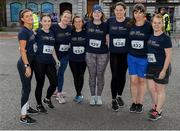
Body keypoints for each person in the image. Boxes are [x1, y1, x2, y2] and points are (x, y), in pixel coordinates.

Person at [146, 14, 172, 121]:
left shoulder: (165, 38)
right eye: (155, 23)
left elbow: (168, 56)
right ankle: (156, 106)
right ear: (152, 23)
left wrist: (164, 70)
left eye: (159, 23)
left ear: (163, 24)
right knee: (151, 89)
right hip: (150, 66)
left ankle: (159, 111)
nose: (156, 25)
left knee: (160, 90)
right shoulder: (151, 35)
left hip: (161, 67)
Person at [128, 4, 153, 113]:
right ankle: (134, 102)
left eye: (140, 12)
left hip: (144, 58)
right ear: (133, 14)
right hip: (132, 57)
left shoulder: (149, 26)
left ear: (144, 13)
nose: (137, 15)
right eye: (135, 12)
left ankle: (140, 103)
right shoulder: (130, 24)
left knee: (142, 81)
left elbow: (155, 37)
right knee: (133, 81)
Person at [107, 2, 131, 111]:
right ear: (114, 11)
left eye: (121, 10)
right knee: (115, 75)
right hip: (114, 53)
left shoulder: (129, 21)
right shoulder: (110, 20)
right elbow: (105, 32)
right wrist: (107, 41)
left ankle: (119, 96)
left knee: (122, 76)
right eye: (117, 10)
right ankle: (113, 99)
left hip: (125, 53)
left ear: (125, 10)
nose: (119, 12)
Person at [34, 13, 58, 112]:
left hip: (50, 61)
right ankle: (39, 104)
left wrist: (56, 59)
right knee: (40, 83)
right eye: (45, 21)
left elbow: (52, 48)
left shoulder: (52, 33)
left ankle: (47, 99)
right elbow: (29, 42)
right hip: (39, 62)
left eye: (49, 21)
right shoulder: (37, 32)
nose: (47, 23)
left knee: (54, 82)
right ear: (41, 22)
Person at [17, 9, 38, 124]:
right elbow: (23, 51)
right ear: (22, 19)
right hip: (25, 64)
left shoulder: (30, 30)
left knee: (28, 87)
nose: (30, 17)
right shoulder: (23, 32)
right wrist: (27, 66)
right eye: (27, 16)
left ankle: (27, 108)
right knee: (26, 88)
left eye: (31, 15)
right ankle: (23, 116)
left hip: (30, 62)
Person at [85, 4, 109, 105]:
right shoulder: (87, 24)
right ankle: (92, 96)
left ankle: (99, 96)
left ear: (101, 14)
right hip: (90, 53)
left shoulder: (105, 25)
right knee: (92, 75)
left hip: (102, 54)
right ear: (92, 14)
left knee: (100, 75)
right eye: (95, 12)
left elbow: (108, 37)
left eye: (99, 12)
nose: (97, 14)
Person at [51, 10, 72, 104]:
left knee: (61, 74)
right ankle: (55, 89)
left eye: (68, 17)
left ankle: (59, 92)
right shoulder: (54, 27)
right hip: (54, 55)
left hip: (65, 55)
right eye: (65, 16)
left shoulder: (71, 28)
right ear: (61, 17)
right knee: (53, 74)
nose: (66, 19)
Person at [69, 16, 86, 103]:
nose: (78, 23)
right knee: (75, 77)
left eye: (80, 22)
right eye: (76, 22)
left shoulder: (85, 32)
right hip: (72, 59)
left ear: (82, 23)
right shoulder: (70, 32)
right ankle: (78, 93)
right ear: (73, 23)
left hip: (83, 60)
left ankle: (79, 93)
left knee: (81, 76)